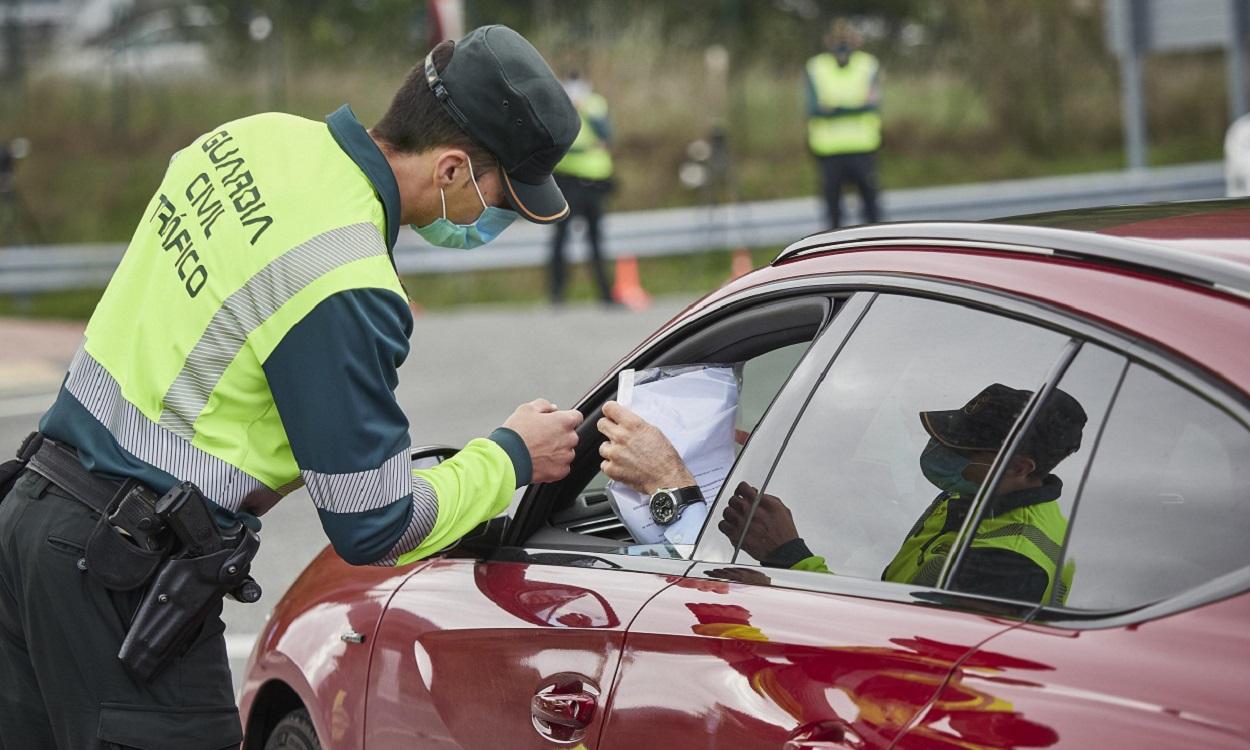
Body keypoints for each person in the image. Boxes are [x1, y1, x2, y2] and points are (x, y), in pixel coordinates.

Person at [0, 25, 582, 749]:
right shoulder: (348, 278)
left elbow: (209, 348)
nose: (494, 219)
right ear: (454, 168)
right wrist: (510, 458)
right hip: (122, 577)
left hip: (29, 521)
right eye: (501, 198)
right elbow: (376, 523)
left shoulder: (254, 138)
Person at [598, 383, 1087, 604]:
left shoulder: (1007, 563)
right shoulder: (979, 499)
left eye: (958, 448)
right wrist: (769, 456)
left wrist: (787, 556)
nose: (938, 452)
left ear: (1021, 468)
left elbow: (892, 650)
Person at [804, 20, 882, 229]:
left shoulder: (868, 65)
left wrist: (834, 109)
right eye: (838, 40)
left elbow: (873, 105)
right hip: (829, 151)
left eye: (847, 39)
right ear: (827, 41)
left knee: (872, 211)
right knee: (833, 214)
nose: (842, 45)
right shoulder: (816, 67)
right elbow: (813, 109)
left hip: (863, 148)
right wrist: (855, 106)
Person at [548, 71, 616, 306]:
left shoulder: (595, 103)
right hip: (567, 180)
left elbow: (606, 132)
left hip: (594, 180)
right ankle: (556, 295)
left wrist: (584, 107)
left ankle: (606, 295)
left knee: (596, 240)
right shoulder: (556, 105)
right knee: (560, 239)